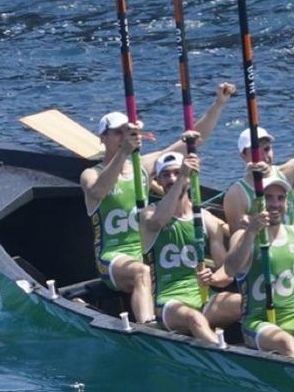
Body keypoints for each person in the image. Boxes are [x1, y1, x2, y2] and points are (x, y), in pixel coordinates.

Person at [80, 82, 237, 322]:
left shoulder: (142, 167)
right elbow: (99, 191)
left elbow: (193, 141)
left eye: (127, 132)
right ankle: (148, 327)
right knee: (142, 271)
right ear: (103, 138)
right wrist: (124, 152)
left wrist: (218, 104)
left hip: (147, 250)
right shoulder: (90, 175)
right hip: (113, 258)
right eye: (118, 133)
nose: (124, 137)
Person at [226, 176, 294, 358]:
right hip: (257, 322)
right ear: (257, 202)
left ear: (286, 203)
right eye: (268, 197)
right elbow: (231, 269)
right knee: (286, 343)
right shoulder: (242, 236)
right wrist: (252, 231)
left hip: (293, 315)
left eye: (280, 198)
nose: (275, 204)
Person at [139, 152, 226, 344]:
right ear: (158, 181)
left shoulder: (206, 219)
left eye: (177, 173)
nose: (172, 179)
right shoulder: (148, 214)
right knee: (194, 318)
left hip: (203, 296)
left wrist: (214, 278)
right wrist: (182, 177)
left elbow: (226, 271)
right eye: (166, 175)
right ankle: (228, 355)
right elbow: (158, 222)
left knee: (245, 305)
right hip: (168, 302)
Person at [222, 105, 294, 231]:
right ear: (243, 156)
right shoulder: (236, 194)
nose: (264, 156)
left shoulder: (289, 172)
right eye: (256, 151)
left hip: (293, 238)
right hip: (265, 242)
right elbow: (238, 237)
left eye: (267, 149)